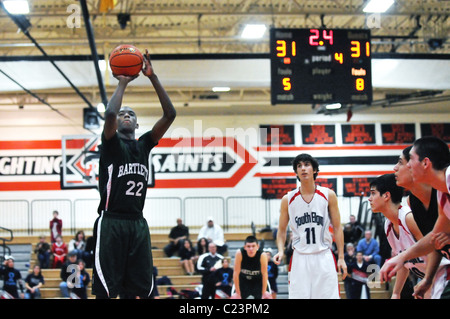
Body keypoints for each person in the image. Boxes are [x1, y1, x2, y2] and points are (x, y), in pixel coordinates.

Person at [92, 48, 176, 299]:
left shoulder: (144, 145)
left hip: (138, 223)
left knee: (142, 291)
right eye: (122, 114)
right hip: (111, 222)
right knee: (106, 292)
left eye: (131, 114)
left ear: (137, 124)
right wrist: (123, 82)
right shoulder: (110, 145)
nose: (125, 116)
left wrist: (153, 77)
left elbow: (170, 114)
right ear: (116, 123)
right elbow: (108, 113)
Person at [380, 137, 450, 299]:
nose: (407, 165)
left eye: (409, 160)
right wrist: (402, 258)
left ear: (425, 163)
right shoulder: (440, 193)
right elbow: (433, 238)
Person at [273, 153, 347, 299]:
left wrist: (341, 257)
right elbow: (281, 231)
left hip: (324, 255)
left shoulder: (328, 195)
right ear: (296, 172)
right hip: (300, 257)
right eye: (299, 166)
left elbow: (338, 228)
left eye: (307, 164)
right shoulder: (287, 199)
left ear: (314, 170)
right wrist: (281, 251)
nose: (303, 168)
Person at [369, 173, 450, 299]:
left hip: (443, 275)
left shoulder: (408, 218)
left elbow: (432, 250)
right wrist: (396, 293)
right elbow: (403, 261)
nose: (369, 198)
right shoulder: (388, 225)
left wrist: (429, 282)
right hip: (430, 280)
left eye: (373, 193)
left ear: (386, 195)